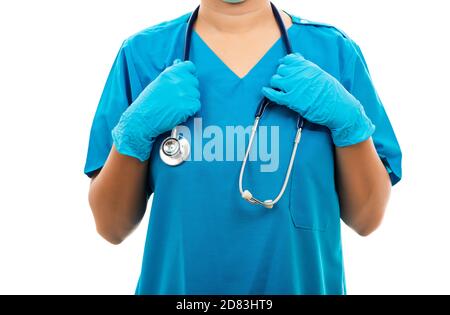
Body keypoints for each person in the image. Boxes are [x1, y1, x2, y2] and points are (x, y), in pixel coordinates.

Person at [84, 0, 402, 294]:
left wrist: (351, 126)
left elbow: (367, 218)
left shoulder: (335, 54)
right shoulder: (143, 56)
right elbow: (111, 227)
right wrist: (134, 134)